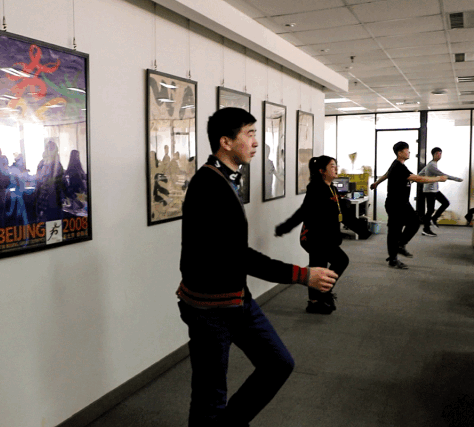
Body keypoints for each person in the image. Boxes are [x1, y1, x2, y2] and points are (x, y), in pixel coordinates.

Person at [177, 107, 338, 427]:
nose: (255, 142)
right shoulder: (209, 186)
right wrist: (303, 275)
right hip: (210, 309)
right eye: (249, 134)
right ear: (225, 142)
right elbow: (237, 255)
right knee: (210, 397)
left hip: (235, 298)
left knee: (278, 364)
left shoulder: (224, 179)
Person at [275, 156, 371, 315]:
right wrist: (285, 227)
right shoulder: (316, 189)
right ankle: (321, 295)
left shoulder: (332, 188)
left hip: (325, 238)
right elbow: (303, 212)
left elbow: (342, 214)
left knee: (319, 267)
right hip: (315, 238)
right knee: (339, 261)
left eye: (336, 165)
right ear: (322, 171)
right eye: (332, 166)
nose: (336, 168)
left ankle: (316, 301)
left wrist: (361, 230)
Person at [372, 141, 446, 269]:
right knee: (395, 231)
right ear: (400, 153)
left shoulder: (399, 165)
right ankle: (393, 259)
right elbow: (418, 179)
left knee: (415, 222)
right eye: (407, 150)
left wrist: (376, 183)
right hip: (395, 204)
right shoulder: (398, 167)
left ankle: (400, 245)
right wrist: (438, 178)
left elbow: (386, 174)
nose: (409, 152)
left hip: (403, 203)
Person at [418, 147, 463, 236]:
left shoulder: (431, 164)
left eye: (441, 153)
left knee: (445, 203)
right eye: (438, 153)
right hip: (430, 191)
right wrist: (457, 179)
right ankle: (426, 229)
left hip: (434, 190)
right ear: (434, 154)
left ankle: (434, 219)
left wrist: (425, 178)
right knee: (430, 210)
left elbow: (420, 174)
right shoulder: (431, 165)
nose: (440, 155)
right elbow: (443, 175)